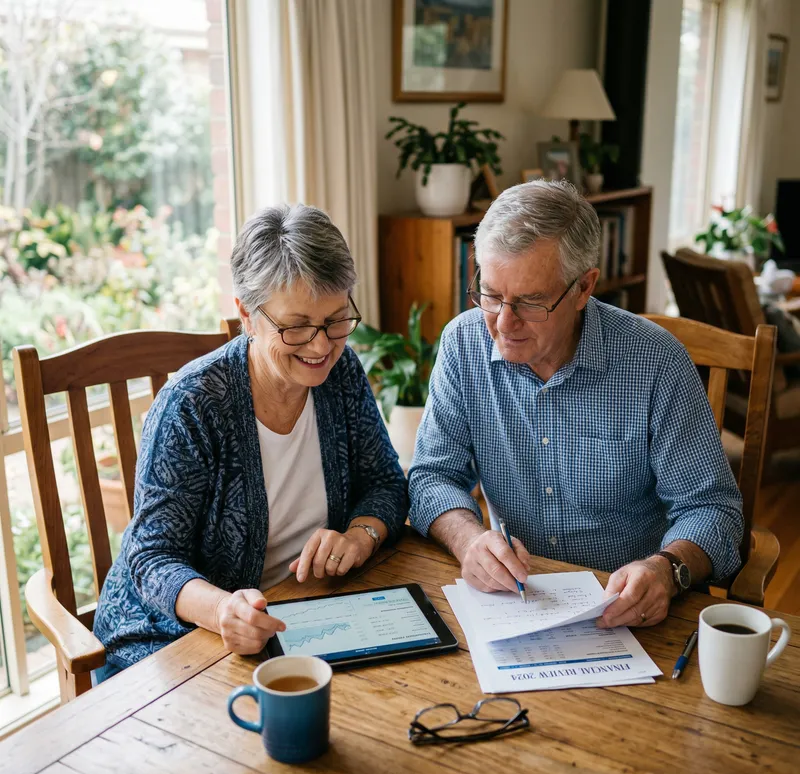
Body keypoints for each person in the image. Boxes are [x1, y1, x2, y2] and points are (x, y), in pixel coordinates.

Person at [408, 180, 744, 629]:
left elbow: (713, 509)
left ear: (584, 288)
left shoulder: (656, 362)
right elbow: (433, 475)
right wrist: (470, 540)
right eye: (490, 294)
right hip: (517, 607)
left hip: (629, 612)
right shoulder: (462, 345)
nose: (503, 323)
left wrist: (666, 569)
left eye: (530, 302)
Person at [93, 204, 407, 681]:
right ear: (247, 314)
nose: (321, 346)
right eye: (296, 326)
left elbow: (385, 483)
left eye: (337, 320)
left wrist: (360, 536)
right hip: (174, 640)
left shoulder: (341, 374)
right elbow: (151, 559)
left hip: (300, 616)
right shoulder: (193, 406)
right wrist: (222, 611)